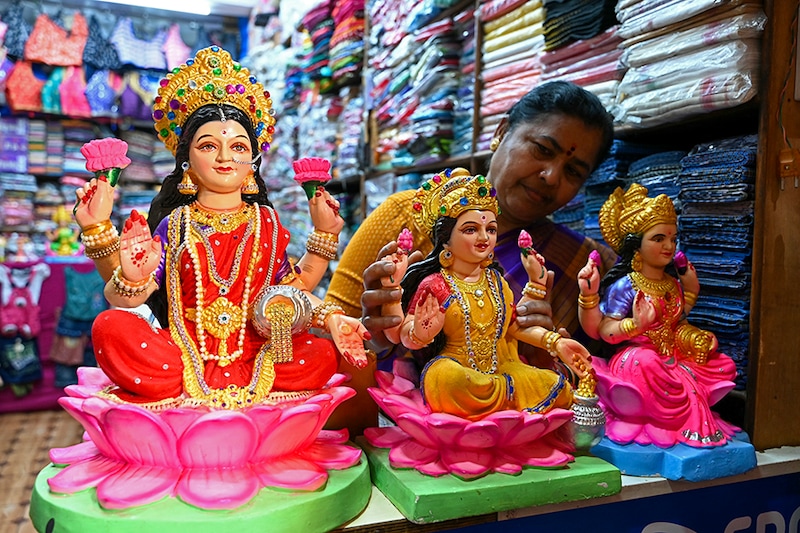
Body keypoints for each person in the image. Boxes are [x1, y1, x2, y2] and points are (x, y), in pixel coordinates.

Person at [72, 46, 368, 408]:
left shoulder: (266, 222)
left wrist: (331, 312)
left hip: (257, 354)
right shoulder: (175, 225)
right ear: (187, 160)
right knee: (110, 328)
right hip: (182, 355)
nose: (226, 157)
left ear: (252, 162)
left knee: (320, 353)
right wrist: (128, 270)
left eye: (238, 147)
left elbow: (292, 290)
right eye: (209, 145)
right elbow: (127, 300)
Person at [326, 81, 618, 365]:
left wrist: (544, 354)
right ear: (501, 132)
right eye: (542, 149)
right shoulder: (404, 218)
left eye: (573, 172)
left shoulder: (584, 268)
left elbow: (603, 381)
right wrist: (375, 338)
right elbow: (320, 337)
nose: (551, 176)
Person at [380, 169, 596, 419]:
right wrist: (420, 333)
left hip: (500, 370)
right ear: (446, 240)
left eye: (491, 229)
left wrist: (556, 343)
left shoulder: (496, 282)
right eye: (471, 229)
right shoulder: (436, 283)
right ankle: (507, 406)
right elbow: (403, 334)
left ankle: (504, 402)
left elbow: (514, 328)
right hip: (457, 373)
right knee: (449, 379)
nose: (484, 237)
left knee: (554, 384)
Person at [576, 183, 739, 447]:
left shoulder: (672, 284)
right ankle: (659, 419)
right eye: (658, 238)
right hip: (637, 360)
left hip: (672, 357)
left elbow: (677, 323)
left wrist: (695, 336)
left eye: (673, 239)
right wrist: (636, 325)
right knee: (648, 361)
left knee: (723, 364)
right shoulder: (626, 285)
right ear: (636, 245)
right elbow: (606, 330)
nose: (669, 246)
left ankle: (674, 415)